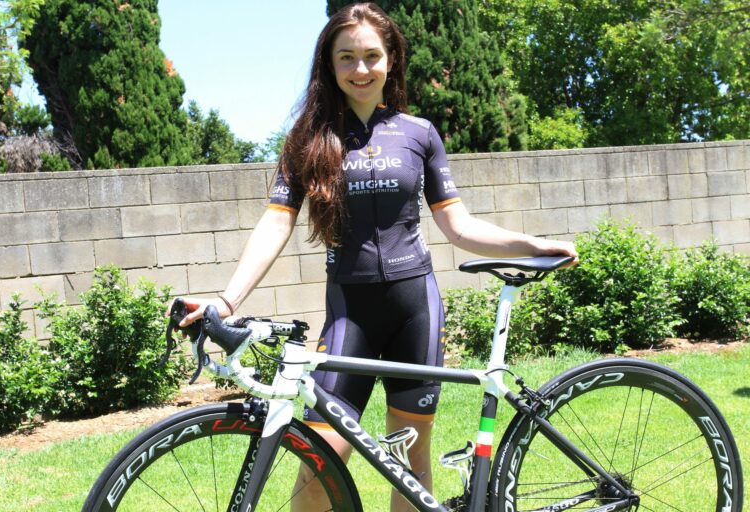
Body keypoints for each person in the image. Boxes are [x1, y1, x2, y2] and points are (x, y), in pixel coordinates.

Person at [173, 3, 578, 511]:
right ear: (329, 64)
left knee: (409, 463)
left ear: (391, 60)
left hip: (415, 310)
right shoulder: (307, 140)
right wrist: (227, 302)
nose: (360, 69)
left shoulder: (419, 133)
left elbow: (458, 225)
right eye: (347, 57)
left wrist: (531, 245)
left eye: (371, 56)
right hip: (350, 315)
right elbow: (277, 221)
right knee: (319, 463)